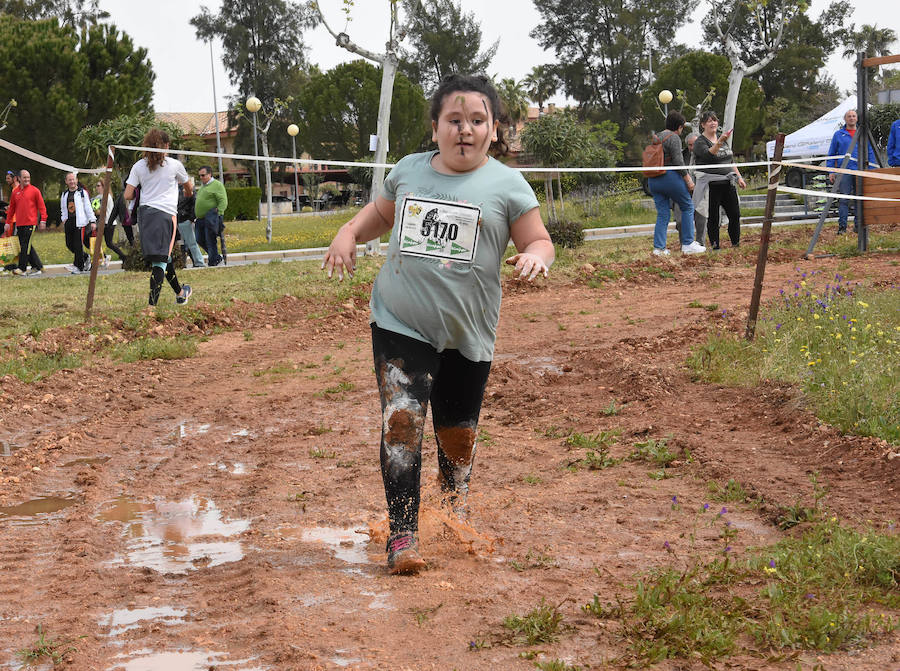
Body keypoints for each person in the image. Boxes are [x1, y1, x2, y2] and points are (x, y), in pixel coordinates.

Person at [322, 73, 555, 575]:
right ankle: (402, 536)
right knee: (402, 422)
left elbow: (538, 239)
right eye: (455, 120)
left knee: (457, 438)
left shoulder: (507, 184)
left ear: (494, 130)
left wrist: (537, 257)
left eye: (477, 121)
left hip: (468, 334)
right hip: (399, 320)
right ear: (435, 129)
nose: (465, 130)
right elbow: (379, 217)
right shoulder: (409, 171)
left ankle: (453, 514)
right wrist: (348, 232)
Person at [124, 128, 193, 306]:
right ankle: (151, 306)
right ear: (167, 146)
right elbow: (189, 188)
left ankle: (180, 293)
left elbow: (127, 195)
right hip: (165, 215)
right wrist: (186, 193)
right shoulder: (174, 165)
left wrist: (143, 190)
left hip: (146, 215)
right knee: (160, 262)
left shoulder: (138, 166)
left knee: (163, 257)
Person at [647, 111, 705, 256]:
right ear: (679, 127)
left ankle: (659, 248)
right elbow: (678, 161)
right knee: (687, 206)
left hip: (653, 179)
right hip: (670, 177)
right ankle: (688, 244)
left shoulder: (656, 137)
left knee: (663, 213)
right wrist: (688, 179)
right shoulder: (674, 138)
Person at [692, 110, 746, 249]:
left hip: (728, 183)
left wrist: (739, 177)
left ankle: (735, 243)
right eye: (709, 121)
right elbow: (710, 155)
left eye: (715, 120)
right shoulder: (700, 142)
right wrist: (720, 141)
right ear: (703, 124)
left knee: (735, 214)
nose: (713, 123)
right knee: (714, 218)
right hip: (711, 185)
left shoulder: (724, 141)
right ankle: (715, 246)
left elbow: (731, 161)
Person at [826, 109, 878, 234]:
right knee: (843, 200)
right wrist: (831, 171)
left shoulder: (862, 134)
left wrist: (871, 170)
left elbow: (870, 151)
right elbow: (832, 153)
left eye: (854, 116)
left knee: (859, 199)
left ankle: (858, 226)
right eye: (849, 116)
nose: (851, 118)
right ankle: (842, 227)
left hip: (860, 171)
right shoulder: (838, 134)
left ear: (857, 118)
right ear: (845, 119)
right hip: (844, 171)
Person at [6, 169, 46, 276]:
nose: (27, 179)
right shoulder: (15, 192)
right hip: (19, 224)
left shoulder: (35, 190)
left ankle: (22, 268)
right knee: (26, 245)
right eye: (24, 177)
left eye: (28, 177)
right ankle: (37, 266)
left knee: (25, 246)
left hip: (30, 223)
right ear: (19, 178)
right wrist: (7, 222)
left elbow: (42, 207)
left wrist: (43, 220)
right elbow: (11, 210)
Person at [60, 172, 96, 273]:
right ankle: (85, 256)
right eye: (69, 180)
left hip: (80, 222)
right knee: (69, 244)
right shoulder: (65, 194)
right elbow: (63, 208)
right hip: (69, 222)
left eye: (73, 179)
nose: (72, 181)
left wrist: (92, 220)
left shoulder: (82, 192)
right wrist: (64, 218)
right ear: (66, 181)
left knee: (78, 244)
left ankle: (78, 267)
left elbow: (88, 207)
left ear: (76, 180)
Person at [194, 165, 227, 266]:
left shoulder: (217, 185)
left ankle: (213, 261)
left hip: (211, 217)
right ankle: (216, 257)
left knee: (210, 239)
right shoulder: (203, 186)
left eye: (203, 175)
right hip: (200, 218)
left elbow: (223, 200)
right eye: (200, 176)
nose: (201, 178)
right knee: (199, 239)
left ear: (210, 174)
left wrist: (219, 213)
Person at [177, 179, 205, 267]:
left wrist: (191, 218)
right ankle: (182, 263)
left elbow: (195, 203)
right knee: (180, 244)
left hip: (185, 219)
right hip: (176, 219)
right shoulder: (172, 188)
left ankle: (199, 262)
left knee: (192, 242)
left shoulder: (188, 188)